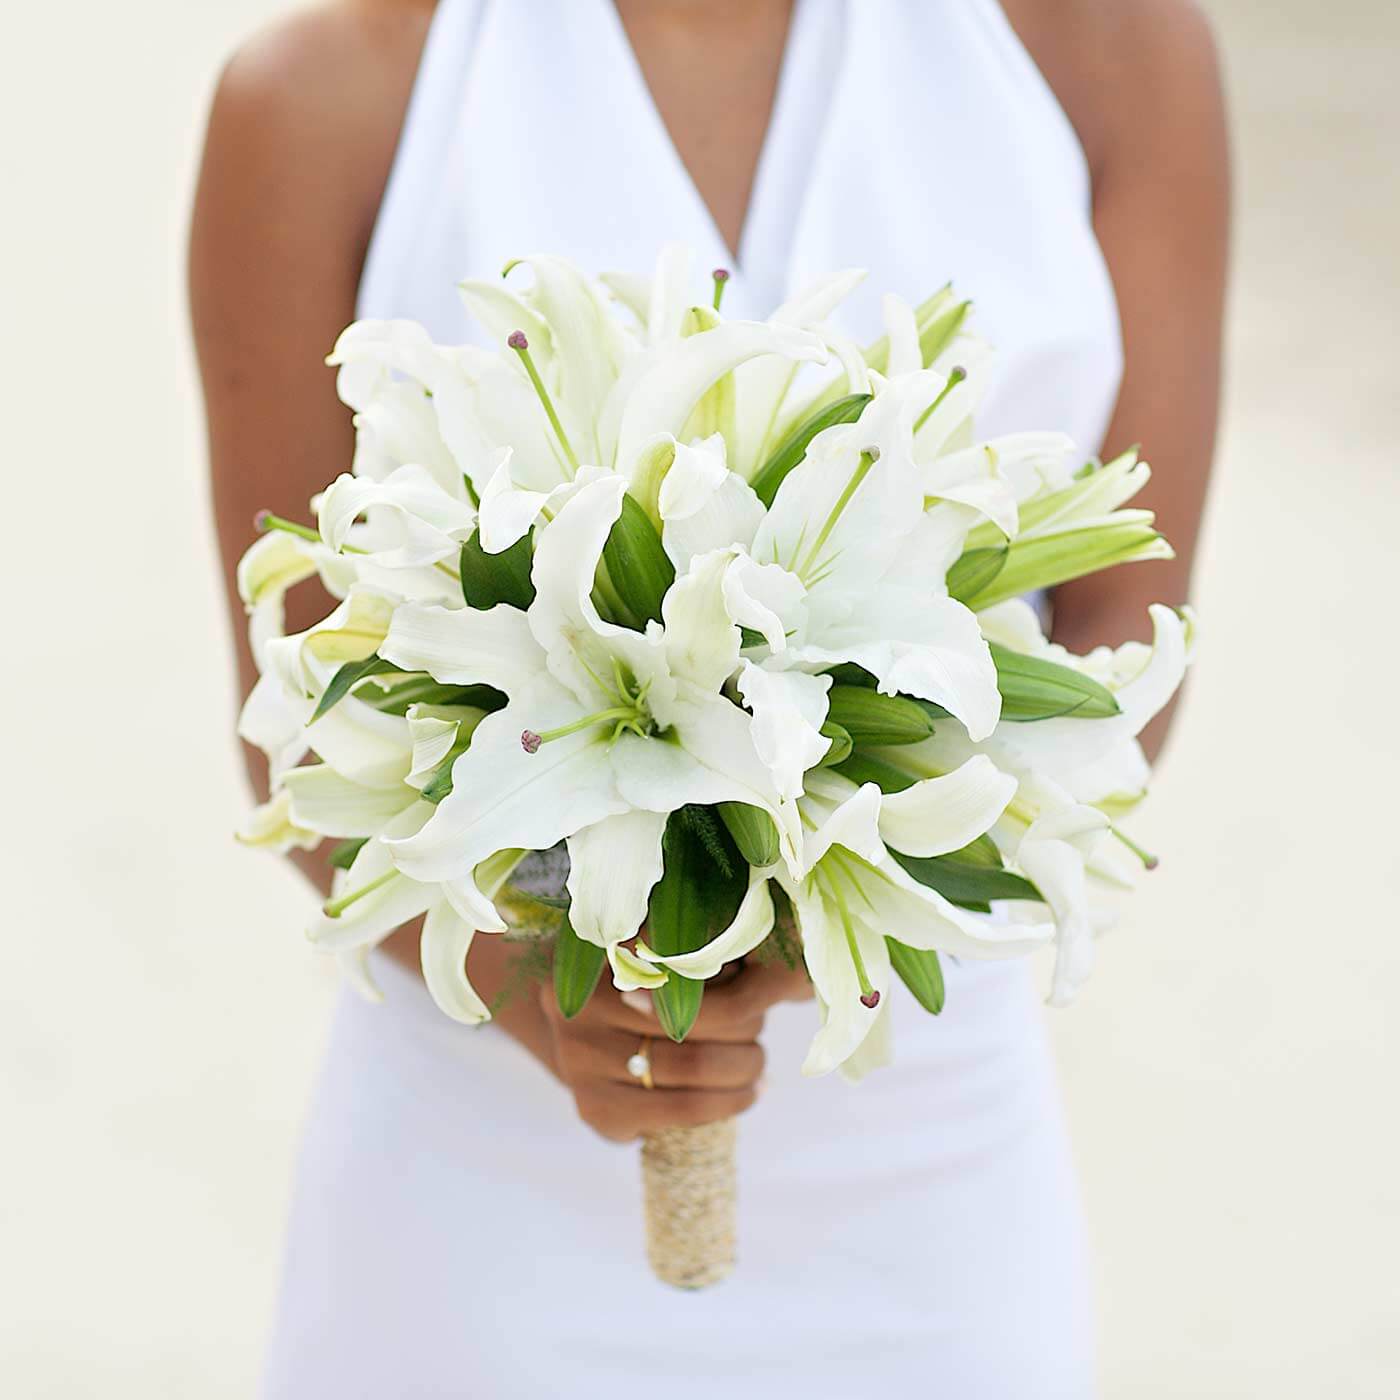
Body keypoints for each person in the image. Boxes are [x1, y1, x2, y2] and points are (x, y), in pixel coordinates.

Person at [190, 1, 1226, 1394]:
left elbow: (1119, 646)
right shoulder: (318, 98)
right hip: (476, 1208)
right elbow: (309, 728)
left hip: (926, 1175)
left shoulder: (1111, 46)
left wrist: (810, 934)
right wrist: (541, 994)